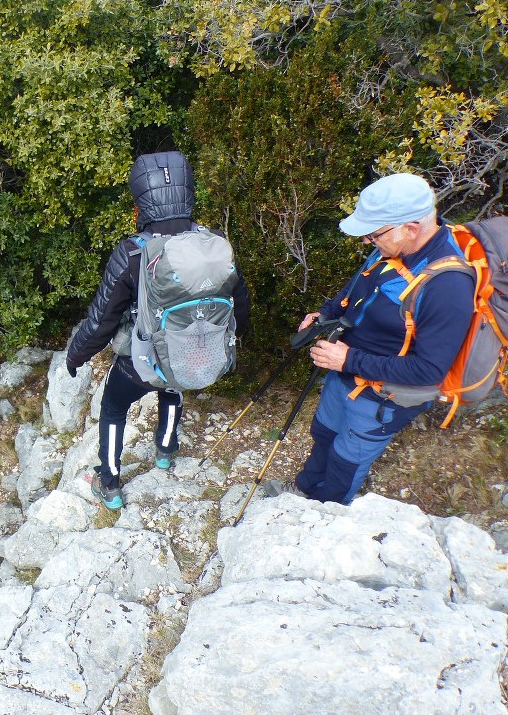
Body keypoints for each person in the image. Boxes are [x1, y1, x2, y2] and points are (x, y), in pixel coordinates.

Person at [66, 151, 251, 510]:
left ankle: (109, 482)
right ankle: (165, 450)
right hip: (197, 356)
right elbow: (238, 302)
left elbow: (102, 319)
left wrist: (77, 355)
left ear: (142, 202)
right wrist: (232, 339)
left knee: (114, 405)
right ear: (188, 193)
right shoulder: (213, 245)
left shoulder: (133, 252)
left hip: (141, 364)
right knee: (173, 383)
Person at [290, 172, 474, 504]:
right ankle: (304, 490)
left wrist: (348, 359)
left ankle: (324, 515)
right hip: (344, 371)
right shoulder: (391, 247)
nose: (367, 242)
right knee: (324, 433)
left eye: (373, 234)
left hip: (382, 398)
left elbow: (428, 371)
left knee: (347, 460)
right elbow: (357, 288)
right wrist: (325, 314)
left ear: (411, 228)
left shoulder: (448, 286)